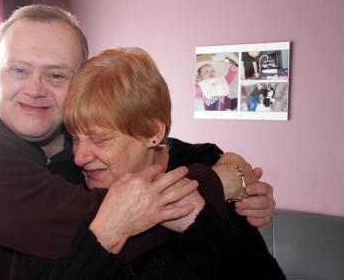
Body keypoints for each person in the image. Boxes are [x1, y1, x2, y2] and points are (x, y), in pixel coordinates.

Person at [0, 4, 276, 279]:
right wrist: (220, 183)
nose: (35, 88)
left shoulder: (194, 160)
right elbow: (104, 221)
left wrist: (234, 178)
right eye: (18, 69)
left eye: (57, 74)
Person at [53, 47, 284, 279]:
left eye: (99, 139)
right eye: (75, 138)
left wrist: (199, 225)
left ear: (153, 132)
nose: (79, 157)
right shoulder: (62, 183)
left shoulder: (206, 161)